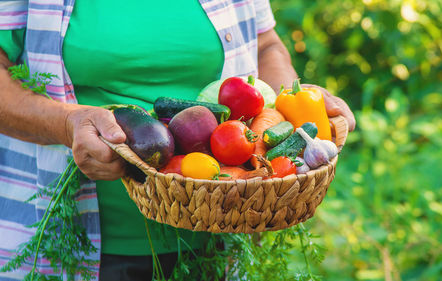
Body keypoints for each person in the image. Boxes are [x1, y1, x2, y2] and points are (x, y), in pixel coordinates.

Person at [0, 0, 355, 280]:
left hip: (221, 234)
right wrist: (67, 124)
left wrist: (291, 108)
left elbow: (266, 44)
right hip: (72, 249)